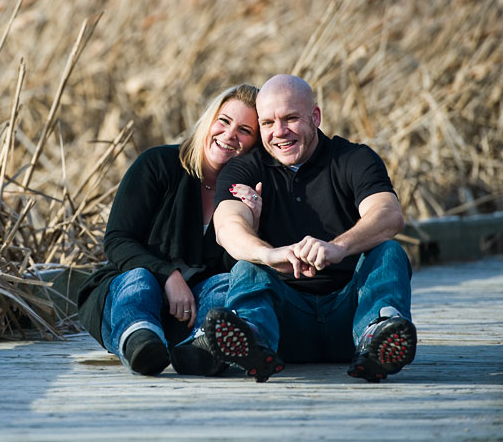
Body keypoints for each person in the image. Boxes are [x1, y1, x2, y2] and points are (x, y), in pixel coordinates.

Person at [202, 74, 416, 383]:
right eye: (268, 123)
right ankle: (252, 339)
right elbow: (227, 227)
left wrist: (338, 247)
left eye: (290, 119)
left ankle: (378, 336)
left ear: (315, 116)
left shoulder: (354, 159)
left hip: (351, 318)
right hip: (286, 325)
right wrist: (271, 253)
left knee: (389, 251)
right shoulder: (245, 167)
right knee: (248, 265)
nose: (279, 132)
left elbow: (388, 214)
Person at [77, 84, 263, 376]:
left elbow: (239, 269)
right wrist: (168, 275)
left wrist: (251, 225)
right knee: (139, 280)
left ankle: (203, 348)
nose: (229, 135)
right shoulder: (157, 164)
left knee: (228, 283)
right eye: (223, 121)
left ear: (256, 144)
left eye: (244, 131)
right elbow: (118, 240)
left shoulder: (248, 193)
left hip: (191, 316)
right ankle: (140, 342)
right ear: (209, 120)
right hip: (130, 298)